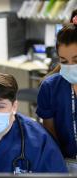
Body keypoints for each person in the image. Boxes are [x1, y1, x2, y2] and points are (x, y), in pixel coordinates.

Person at [36, 14, 77, 158]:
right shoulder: (50, 88)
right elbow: (50, 132)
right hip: (65, 162)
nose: (71, 66)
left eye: (76, 60)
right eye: (64, 61)